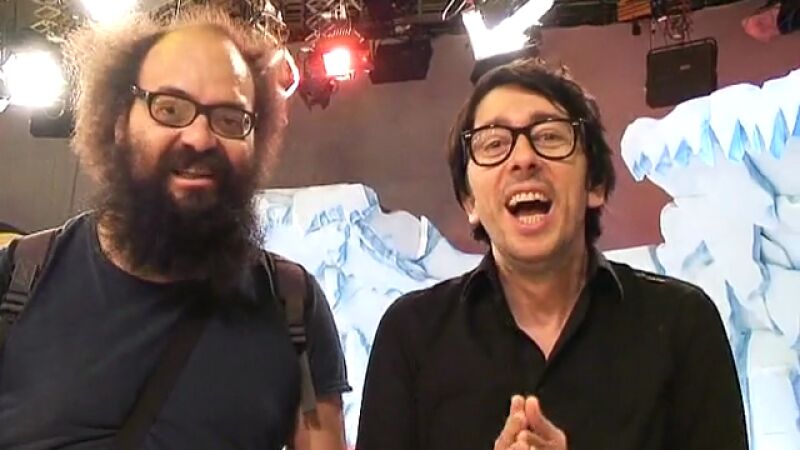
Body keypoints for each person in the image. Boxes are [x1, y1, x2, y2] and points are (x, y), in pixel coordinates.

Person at [0, 7, 350, 450]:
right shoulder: (16, 281)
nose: (200, 138)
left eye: (230, 119)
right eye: (168, 108)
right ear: (118, 123)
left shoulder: (294, 307)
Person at [355, 58, 747, 450]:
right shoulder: (411, 335)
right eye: (494, 143)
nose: (524, 158)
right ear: (470, 201)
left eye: (549, 136)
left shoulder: (682, 323)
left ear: (595, 185)